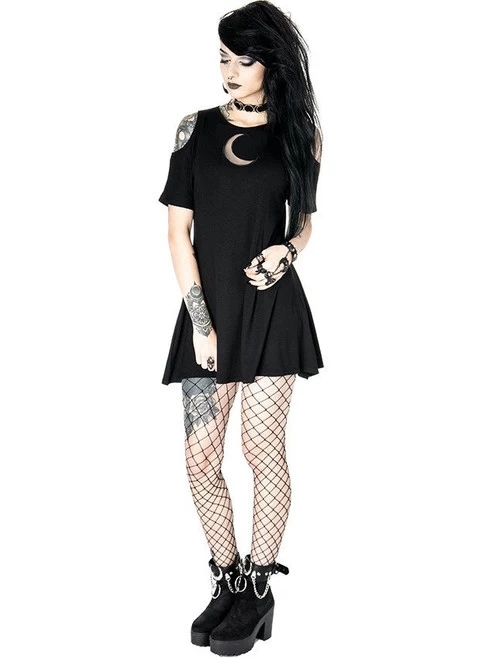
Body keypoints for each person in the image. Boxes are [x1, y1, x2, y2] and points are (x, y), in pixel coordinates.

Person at [157, 1, 324, 654]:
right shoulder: (193, 129)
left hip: (273, 310)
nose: (229, 69)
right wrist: (202, 324)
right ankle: (226, 581)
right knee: (200, 458)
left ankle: (257, 591)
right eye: (223, 56)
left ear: (270, 63)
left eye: (243, 58)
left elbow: (303, 222)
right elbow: (178, 233)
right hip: (209, 309)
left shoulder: (299, 133)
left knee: (261, 451)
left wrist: (291, 249)